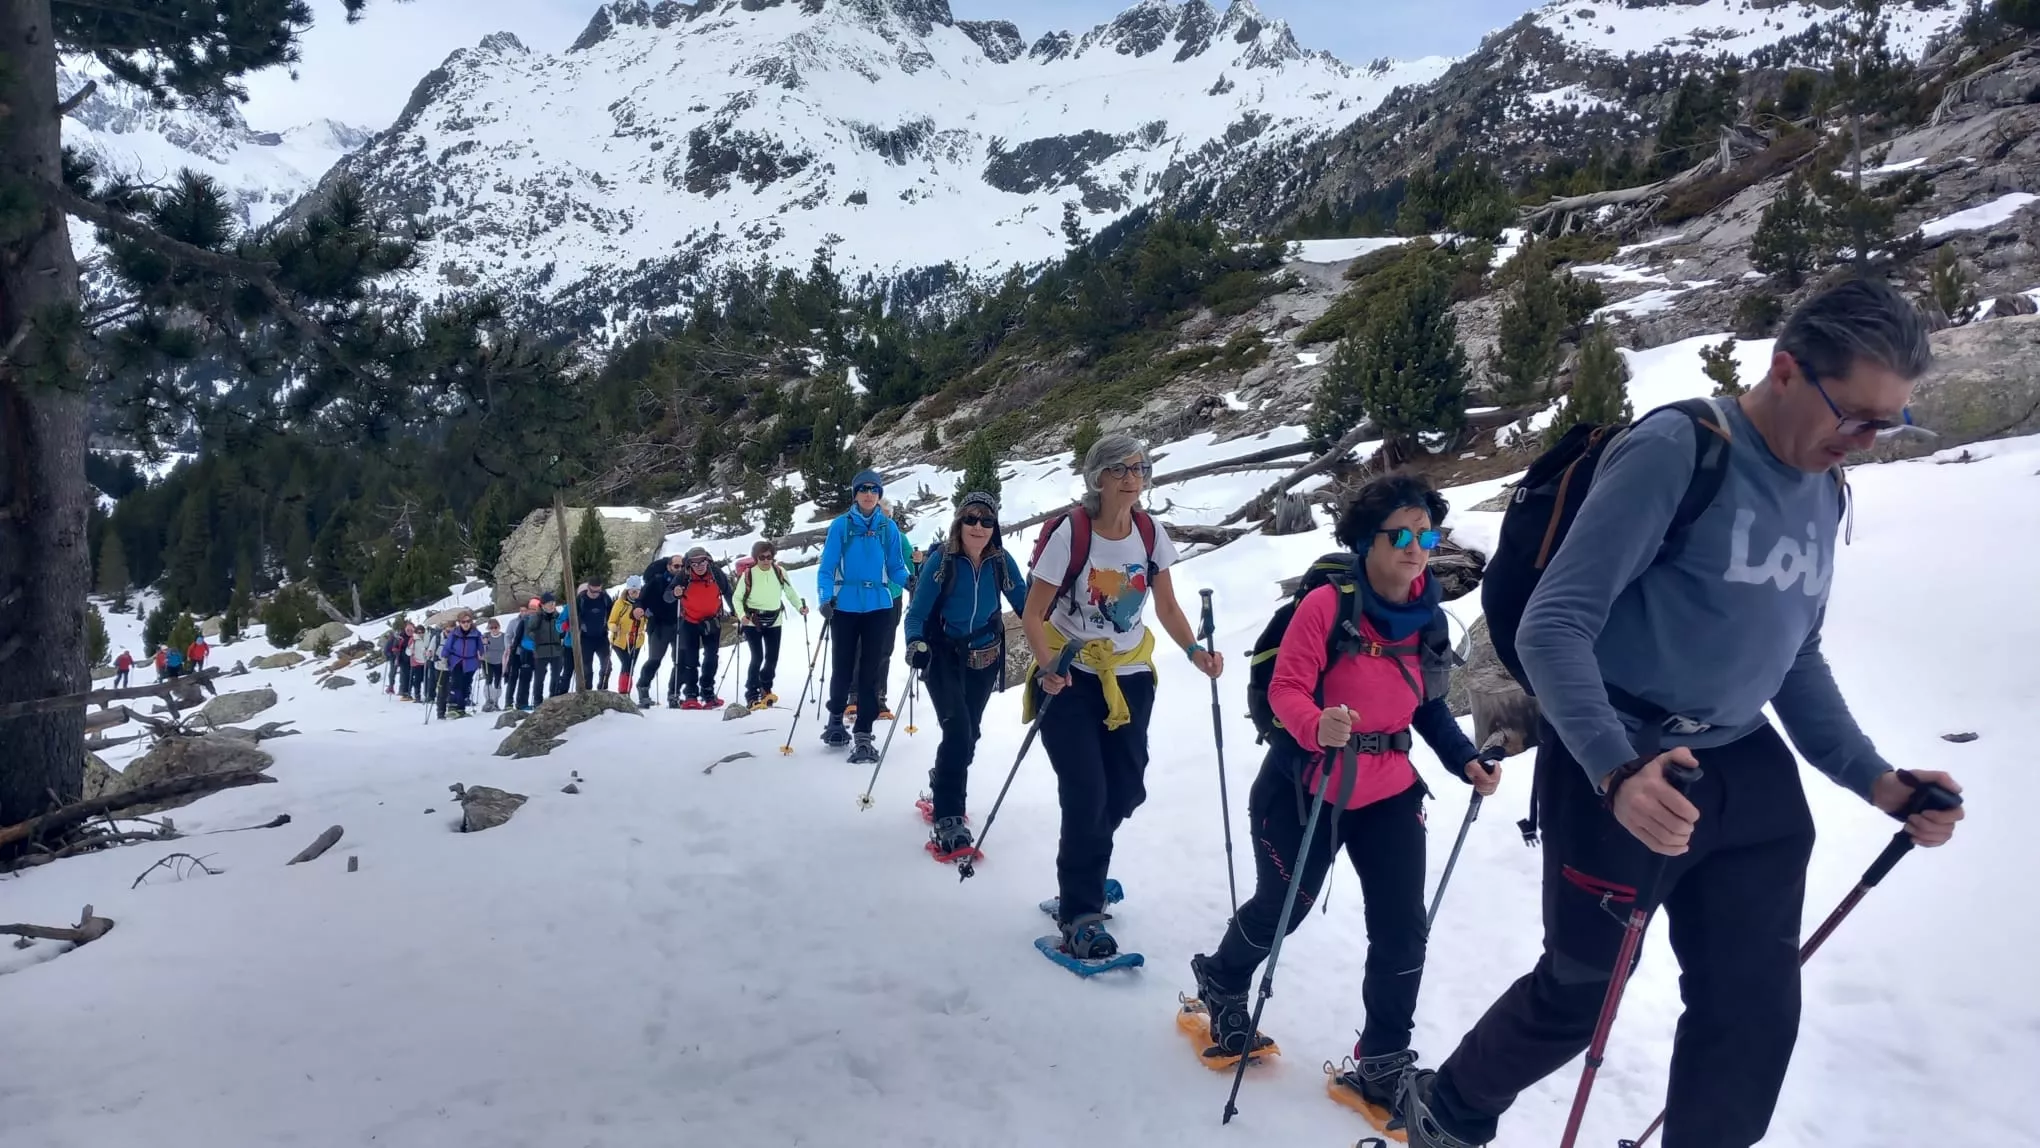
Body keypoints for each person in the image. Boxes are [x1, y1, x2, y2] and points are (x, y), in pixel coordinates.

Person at [1398, 281, 1968, 1148]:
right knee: (1581, 990)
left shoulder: (1823, 487)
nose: (1864, 442)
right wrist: (1616, 771)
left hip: (1746, 767)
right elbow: (1554, 625)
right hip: (1621, 750)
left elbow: (1794, 656)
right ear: (1787, 371)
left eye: (1888, 425)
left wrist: (1879, 781)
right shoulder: (1680, 449)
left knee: (1752, 1011)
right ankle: (1450, 1109)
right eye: (1856, 416)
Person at [1187, 475, 1499, 1132]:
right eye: (1401, 535)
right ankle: (1222, 978)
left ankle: (1382, 1059)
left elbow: (1429, 706)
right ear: (1366, 540)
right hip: (1305, 785)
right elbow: (1286, 689)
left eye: (1426, 535)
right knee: (1285, 906)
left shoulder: (1428, 615)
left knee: (1402, 926)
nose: (1416, 548)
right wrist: (1316, 723)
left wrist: (1464, 759)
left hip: (1388, 791)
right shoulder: (1326, 607)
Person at [1021, 434, 1221, 960]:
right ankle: (1080, 912)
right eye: (1122, 469)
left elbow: (1168, 606)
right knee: (1086, 793)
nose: (1134, 478)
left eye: (1140, 468)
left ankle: (1084, 867)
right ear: (1098, 478)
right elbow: (1033, 613)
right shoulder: (1072, 532)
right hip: (1071, 673)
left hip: (1130, 676)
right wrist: (1048, 666)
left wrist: (1194, 652)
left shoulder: (1150, 533)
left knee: (1126, 790)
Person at [903, 490, 1026, 857]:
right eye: (971, 518)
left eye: (986, 520)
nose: (978, 526)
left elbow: (1026, 604)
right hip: (942, 657)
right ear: (959, 522)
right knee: (957, 730)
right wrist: (915, 643)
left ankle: (943, 778)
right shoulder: (942, 561)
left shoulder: (1000, 561)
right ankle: (949, 816)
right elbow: (916, 613)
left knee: (969, 733)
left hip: (985, 658)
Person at [817, 470, 911, 763]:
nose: (869, 494)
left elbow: (895, 567)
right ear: (855, 494)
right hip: (844, 606)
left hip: (879, 606)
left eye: (874, 489)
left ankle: (863, 733)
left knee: (871, 672)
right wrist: (824, 598)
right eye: (863, 489)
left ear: (879, 494)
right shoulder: (841, 526)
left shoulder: (887, 528)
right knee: (843, 668)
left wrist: (911, 581)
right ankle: (835, 717)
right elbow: (827, 567)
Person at [734, 540, 808, 709]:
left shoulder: (779, 571)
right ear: (756, 558)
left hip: (775, 619)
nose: (766, 560)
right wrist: (742, 615)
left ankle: (766, 688)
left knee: (772, 658)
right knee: (757, 657)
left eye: (769, 557)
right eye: (762, 557)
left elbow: (790, 592)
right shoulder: (748, 574)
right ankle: (752, 694)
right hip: (752, 621)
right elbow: (737, 598)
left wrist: (799, 607)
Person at [667, 546, 734, 709]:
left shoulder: (716, 573)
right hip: (689, 621)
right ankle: (691, 695)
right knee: (690, 659)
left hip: (712, 621)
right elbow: (667, 596)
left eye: (702, 562)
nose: (699, 566)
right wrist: (675, 593)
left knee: (711, 657)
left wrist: (736, 611)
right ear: (689, 564)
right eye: (695, 564)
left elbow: (728, 592)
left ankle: (707, 692)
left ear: (708, 561)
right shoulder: (684, 576)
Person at [637, 553, 689, 707]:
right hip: (659, 625)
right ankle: (643, 688)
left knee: (680, 660)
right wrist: (639, 609)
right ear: (668, 566)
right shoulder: (657, 581)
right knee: (655, 659)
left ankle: (674, 694)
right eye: (676, 566)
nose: (679, 569)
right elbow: (641, 600)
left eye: (682, 566)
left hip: (680, 624)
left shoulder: (687, 582)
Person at [438, 611, 484, 719]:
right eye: (463, 622)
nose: (466, 624)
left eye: (468, 621)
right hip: (456, 661)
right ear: (459, 622)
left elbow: (481, 648)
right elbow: (447, 646)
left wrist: (482, 652)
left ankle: (461, 708)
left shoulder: (476, 634)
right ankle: (453, 707)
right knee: (456, 684)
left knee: (466, 685)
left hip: (471, 663)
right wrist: (444, 657)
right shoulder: (454, 633)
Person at [609, 576, 647, 694]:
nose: (634, 593)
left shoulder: (644, 603)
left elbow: (646, 620)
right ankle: (623, 691)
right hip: (620, 641)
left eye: (637, 591)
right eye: (632, 590)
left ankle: (627, 691)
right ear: (628, 590)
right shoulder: (620, 603)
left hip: (636, 641)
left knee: (630, 667)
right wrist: (614, 628)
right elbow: (611, 621)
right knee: (627, 663)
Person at [480, 619, 507, 712]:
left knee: (498, 681)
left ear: (499, 627)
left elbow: (507, 648)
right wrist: (483, 644)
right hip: (488, 661)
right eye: (491, 628)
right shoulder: (485, 636)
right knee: (488, 679)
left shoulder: (504, 636)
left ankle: (496, 701)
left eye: (496, 627)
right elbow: (480, 647)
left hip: (500, 661)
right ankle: (488, 700)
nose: (494, 629)